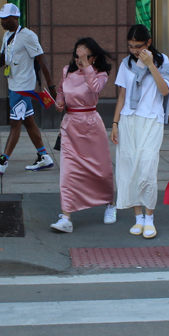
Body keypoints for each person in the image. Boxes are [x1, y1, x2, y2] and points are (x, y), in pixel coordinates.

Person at [110, 24, 169, 239]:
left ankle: (150, 218)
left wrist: (150, 65)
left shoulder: (162, 61)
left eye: (138, 46)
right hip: (129, 120)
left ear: (149, 43)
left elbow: (164, 90)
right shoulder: (126, 64)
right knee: (129, 168)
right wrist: (115, 123)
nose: (134, 50)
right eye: (130, 46)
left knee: (147, 167)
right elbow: (122, 96)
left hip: (152, 120)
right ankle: (138, 219)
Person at [49, 38, 116, 233]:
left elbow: (95, 88)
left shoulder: (100, 73)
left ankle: (109, 203)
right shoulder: (66, 71)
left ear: (93, 57)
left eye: (84, 56)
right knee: (68, 171)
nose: (79, 60)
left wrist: (87, 66)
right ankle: (66, 216)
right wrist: (59, 101)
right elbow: (61, 90)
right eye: (77, 56)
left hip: (91, 123)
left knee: (100, 169)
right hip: (70, 124)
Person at [0, 3, 56, 175]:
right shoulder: (7, 36)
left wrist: (51, 87)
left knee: (15, 124)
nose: (2, 22)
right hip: (13, 86)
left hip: (23, 88)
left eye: (5, 19)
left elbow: (42, 60)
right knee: (28, 122)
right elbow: (1, 61)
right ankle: (44, 156)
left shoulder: (28, 36)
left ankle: (3, 161)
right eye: (1, 19)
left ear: (15, 18)